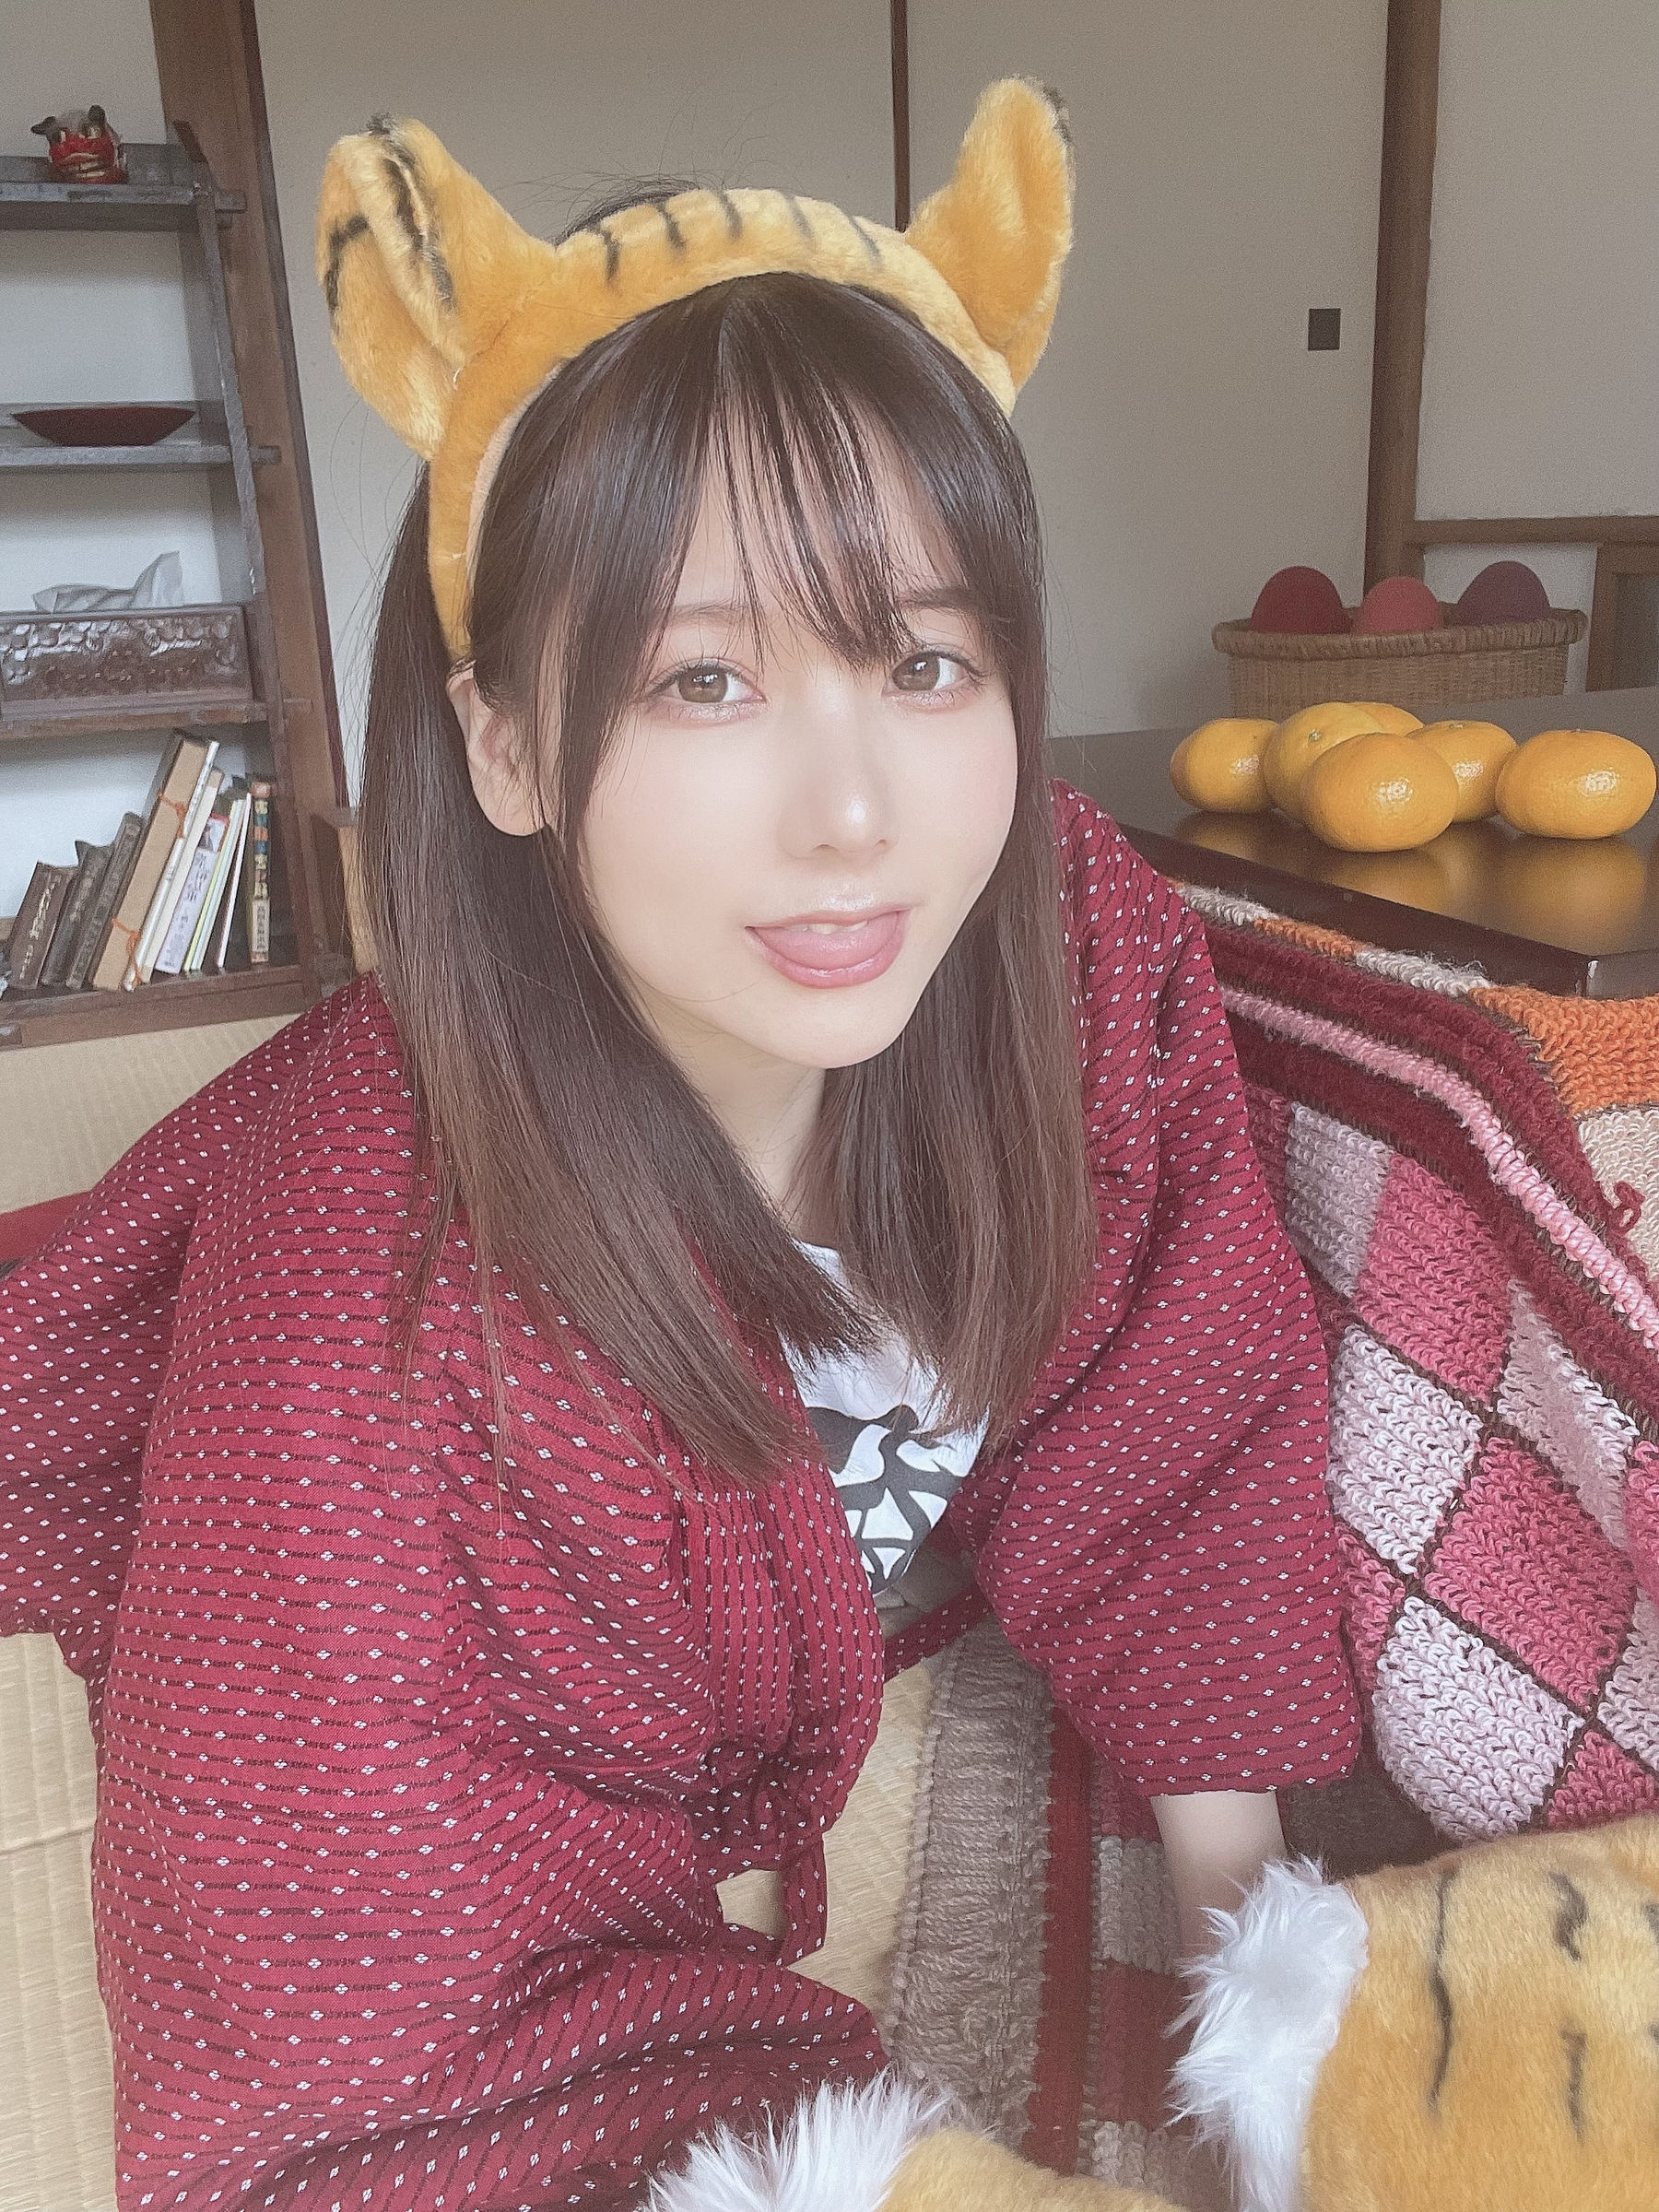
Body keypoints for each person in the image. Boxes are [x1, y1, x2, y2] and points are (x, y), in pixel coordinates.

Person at [0, 83, 1358, 2212]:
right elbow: (365, 2062)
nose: (855, 815)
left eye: (924, 659)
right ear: (507, 742)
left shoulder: (1077, 945)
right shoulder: (371, 1305)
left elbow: (1172, 1414)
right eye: (705, 682)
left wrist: (1261, 2013)